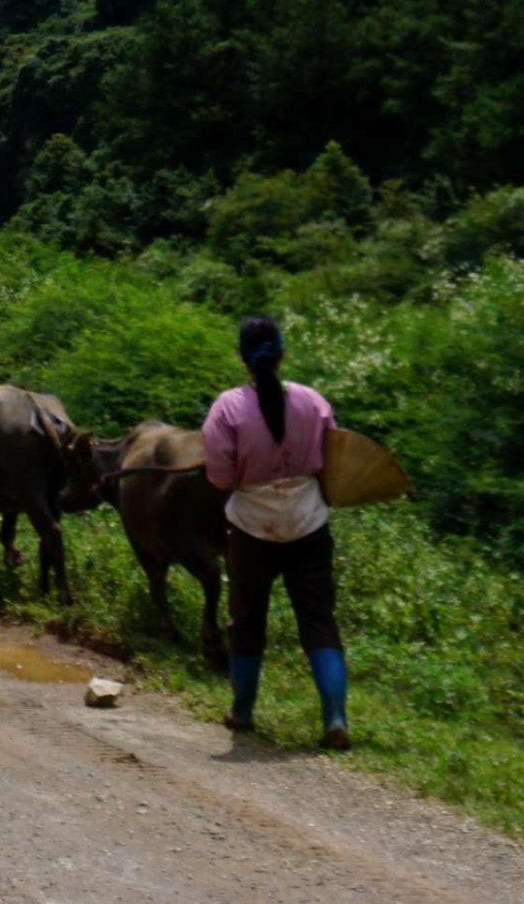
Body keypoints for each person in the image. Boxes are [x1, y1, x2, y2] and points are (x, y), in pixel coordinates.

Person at [201, 312, 349, 748]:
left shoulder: (227, 408)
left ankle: (243, 710)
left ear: (242, 358)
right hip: (309, 523)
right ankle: (335, 719)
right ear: (282, 354)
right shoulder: (313, 402)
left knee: (247, 622)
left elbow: (221, 478)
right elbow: (335, 459)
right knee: (319, 622)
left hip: (251, 528)